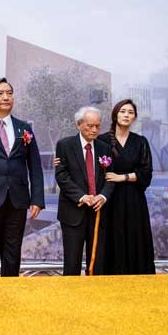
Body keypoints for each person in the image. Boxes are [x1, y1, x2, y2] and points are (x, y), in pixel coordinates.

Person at [0, 77, 44, 277]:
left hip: (18, 200)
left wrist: (37, 199)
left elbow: (35, 166)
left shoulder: (25, 129)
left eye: (9, 93)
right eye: (0, 93)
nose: (6, 97)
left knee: (12, 252)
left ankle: (10, 295)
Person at [55, 106, 114, 275]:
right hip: (74, 210)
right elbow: (62, 176)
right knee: (72, 262)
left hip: (98, 211)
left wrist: (102, 196)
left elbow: (110, 177)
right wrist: (82, 197)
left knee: (98, 261)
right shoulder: (65, 145)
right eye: (90, 126)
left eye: (97, 126)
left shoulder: (105, 148)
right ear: (79, 124)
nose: (94, 130)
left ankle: (96, 295)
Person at [98, 99, 155, 275]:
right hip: (108, 198)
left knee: (135, 236)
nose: (126, 115)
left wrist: (121, 177)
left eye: (130, 112)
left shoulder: (140, 141)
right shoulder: (102, 140)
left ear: (134, 117)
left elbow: (146, 172)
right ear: (115, 114)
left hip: (133, 198)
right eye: (123, 111)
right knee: (111, 237)